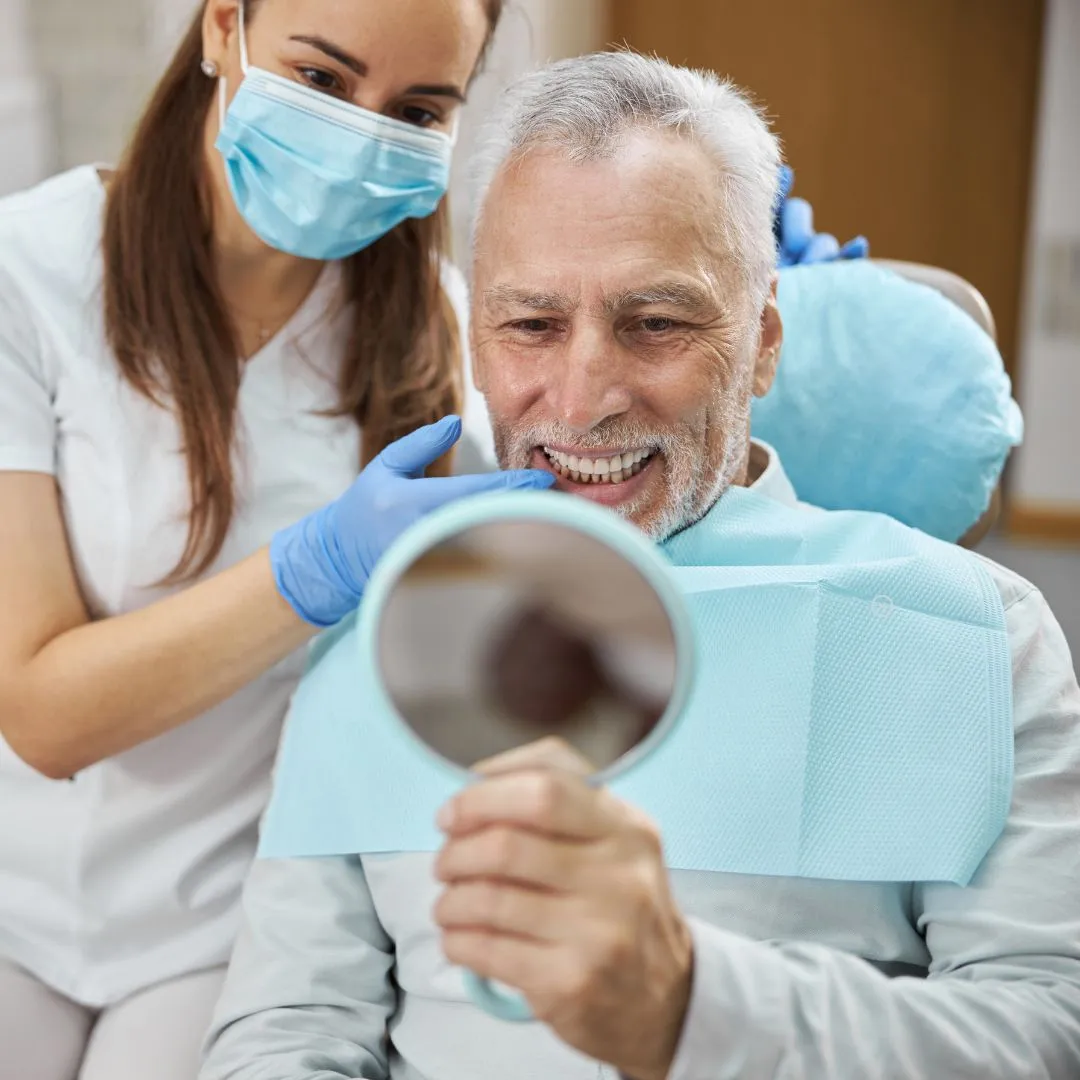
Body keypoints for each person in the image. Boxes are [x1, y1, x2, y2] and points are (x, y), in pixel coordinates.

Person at [0, 0, 861, 1074]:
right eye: (321, 79)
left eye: (416, 107)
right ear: (224, 27)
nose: (362, 131)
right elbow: (39, 712)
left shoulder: (461, 338)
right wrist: (317, 569)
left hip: (230, 907)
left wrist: (713, 299)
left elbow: (630, 517)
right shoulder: (26, 274)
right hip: (17, 890)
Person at [200, 52, 1080, 1080]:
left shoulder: (975, 633)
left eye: (654, 324)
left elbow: (1047, 1031)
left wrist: (693, 1007)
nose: (581, 402)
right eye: (531, 325)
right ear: (476, 340)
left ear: (761, 343)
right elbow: (287, 1028)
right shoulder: (379, 634)